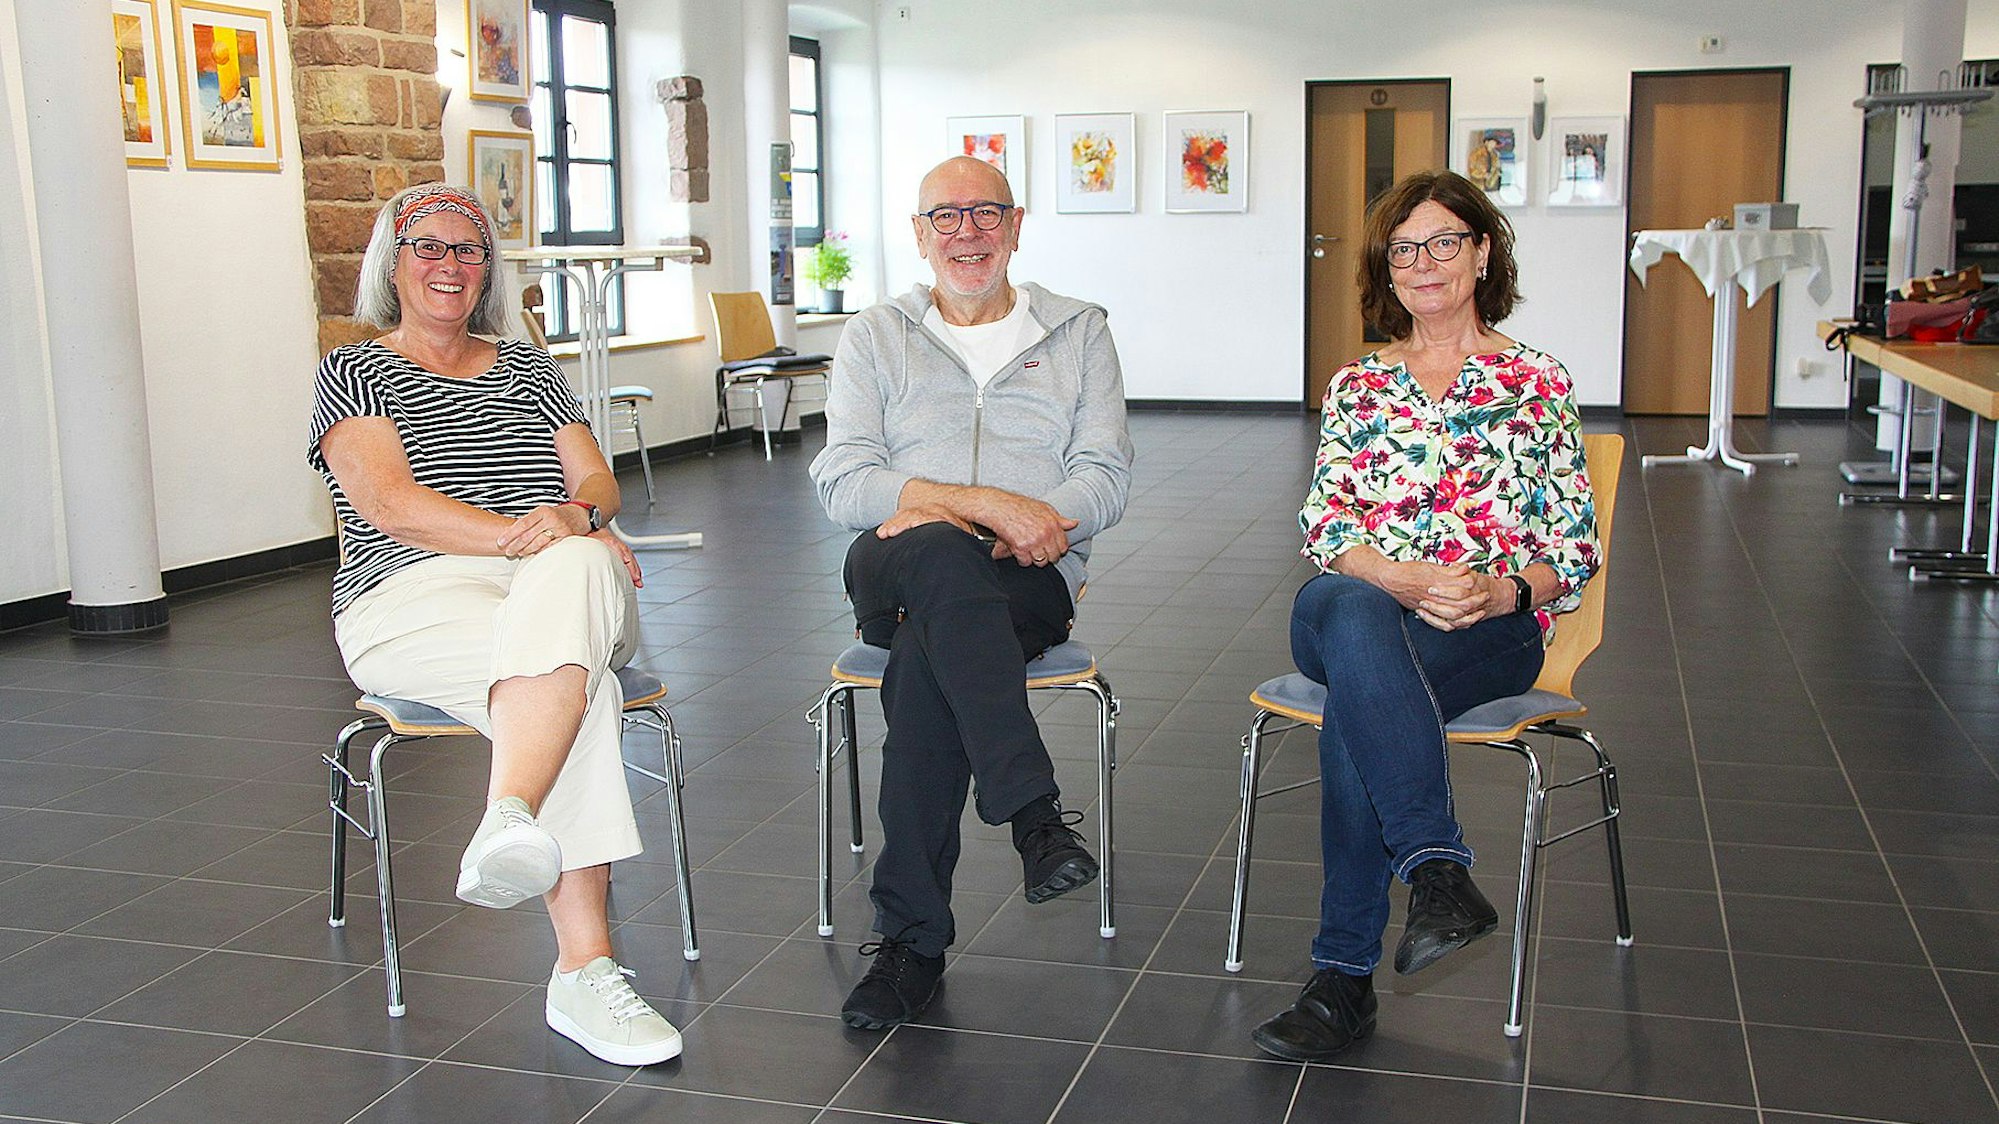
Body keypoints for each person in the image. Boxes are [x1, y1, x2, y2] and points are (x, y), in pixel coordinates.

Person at [308, 184, 680, 1066]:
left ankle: (509, 816)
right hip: (409, 594)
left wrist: (576, 524)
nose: (449, 265)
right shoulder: (354, 372)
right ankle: (584, 974)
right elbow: (393, 507)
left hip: (560, 579)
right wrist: (537, 534)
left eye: (468, 250)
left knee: (583, 567)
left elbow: (597, 488)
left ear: (489, 270)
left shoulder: (527, 367)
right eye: (427, 247)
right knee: (574, 686)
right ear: (391, 264)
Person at [1250, 170, 1600, 1062]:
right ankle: (1433, 867)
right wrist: (1401, 580)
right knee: (1350, 609)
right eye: (1404, 249)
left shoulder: (1535, 379)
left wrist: (1503, 591)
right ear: (1386, 270)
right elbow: (1327, 526)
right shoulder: (1360, 384)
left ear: (1482, 252)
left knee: (1354, 717)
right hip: (1358, 603)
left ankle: (1343, 978)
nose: (1423, 263)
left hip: (1491, 632)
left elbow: (1571, 543)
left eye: (1444, 241)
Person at [809, 155, 1134, 1030]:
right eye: (945, 218)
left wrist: (1032, 524)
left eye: (985, 214)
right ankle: (1032, 813)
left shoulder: (1078, 332)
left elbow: (1104, 478)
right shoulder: (875, 335)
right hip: (894, 560)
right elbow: (842, 480)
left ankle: (911, 942)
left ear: (1016, 225)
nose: (967, 233)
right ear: (918, 236)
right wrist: (973, 505)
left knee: (928, 659)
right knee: (940, 559)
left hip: (1029, 570)